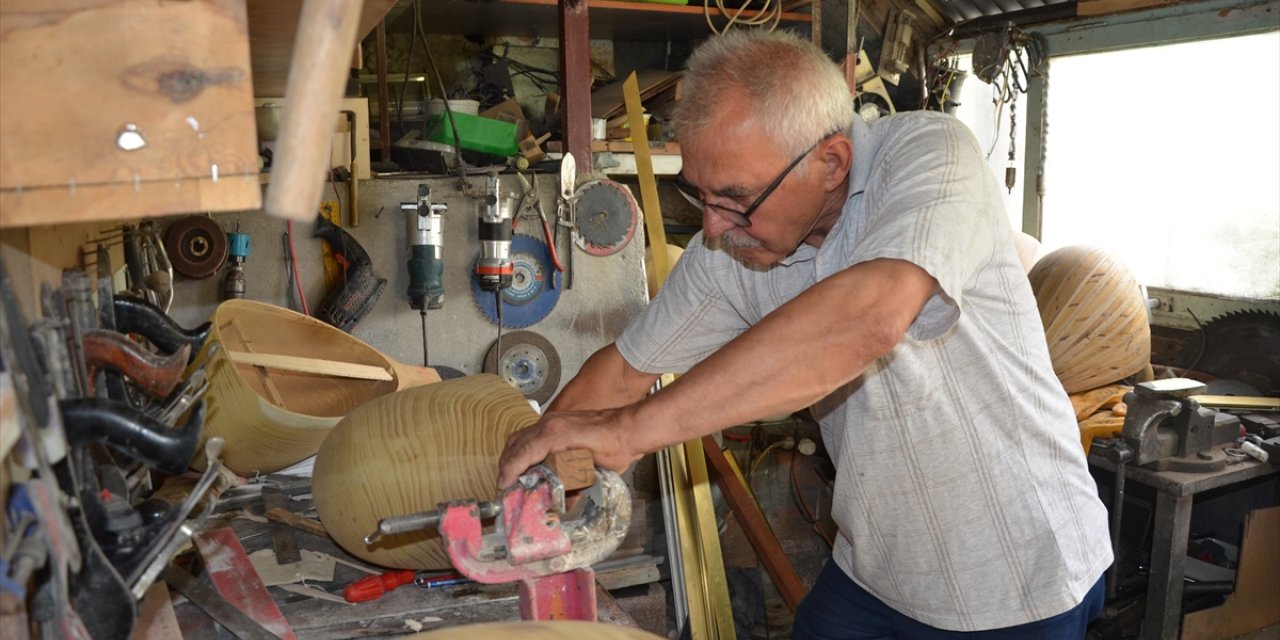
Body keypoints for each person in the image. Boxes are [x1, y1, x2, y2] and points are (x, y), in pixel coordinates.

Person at [499, 29, 1111, 639]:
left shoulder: (931, 156)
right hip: (877, 565)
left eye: (736, 199)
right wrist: (535, 469)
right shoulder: (732, 247)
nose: (712, 226)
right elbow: (625, 370)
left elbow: (866, 316)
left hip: (1017, 572)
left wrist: (628, 432)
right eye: (699, 195)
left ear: (832, 162)